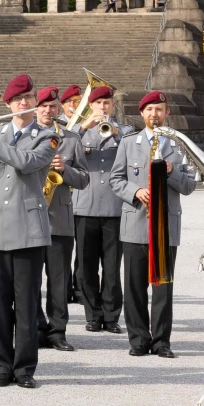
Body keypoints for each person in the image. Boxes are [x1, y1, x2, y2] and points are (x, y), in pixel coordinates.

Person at [0, 74, 55, 389]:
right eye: (17, 99)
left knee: (27, 303)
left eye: (28, 98)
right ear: (8, 104)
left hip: (29, 230)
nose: (23, 103)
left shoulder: (47, 137)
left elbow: (25, 163)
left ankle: (25, 369)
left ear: (35, 103)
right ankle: (1, 367)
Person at [110, 91, 198, 358]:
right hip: (135, 223)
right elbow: (116, 180)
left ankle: (161, 341)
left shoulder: (180, 146)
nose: (154, 115)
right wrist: (135, 192)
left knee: (163, 287)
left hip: (166, 227)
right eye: (149, 110)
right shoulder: (128, 143)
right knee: (134, 286)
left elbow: (189, 185)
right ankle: (138, 339)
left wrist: (171, 171)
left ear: (167, 113)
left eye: (159, 110)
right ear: (141, 114)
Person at [35, 86, 90, 353]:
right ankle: (35, 328)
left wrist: (64, 169)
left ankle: (58, 332)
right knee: (29, 280)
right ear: (36, 109)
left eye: (53, 106)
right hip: (29, 219)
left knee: (58, 281)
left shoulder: (70, 139)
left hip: (59, 221)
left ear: (59, 109)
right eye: (43, 105)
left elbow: (84, 179)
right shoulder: (24, 138)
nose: (48, 110)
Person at [72, 84, 128, 335]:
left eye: (107, 104)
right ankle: (93, 314)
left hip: (115, 206)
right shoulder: (79, 132)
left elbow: (132, 146)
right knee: (86, 266)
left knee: (112, 265)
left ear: (113, 106)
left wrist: (113, 131)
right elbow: (61, 142)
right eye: (98, 104)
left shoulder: (124, 131)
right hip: (85, 205)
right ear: (90, 106)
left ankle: (111, 315)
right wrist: (84, 126)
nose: (103, 108)